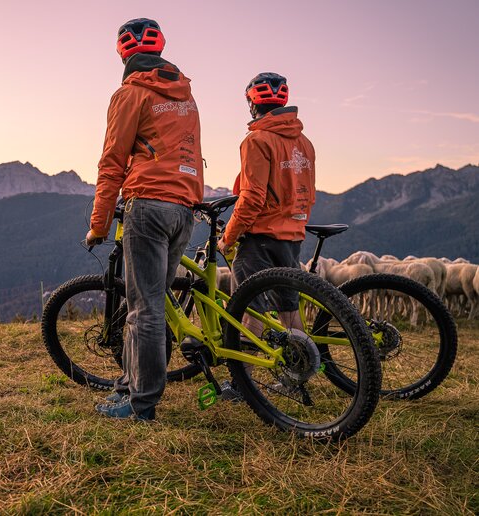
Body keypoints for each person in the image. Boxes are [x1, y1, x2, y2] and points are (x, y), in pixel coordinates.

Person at [87, 18, 204, 421]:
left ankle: (142, 404)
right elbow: (189, 153)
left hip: (149, 206)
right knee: (156, 303)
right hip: (184, 208)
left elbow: (112, 161)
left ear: (123, 54)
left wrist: (99, 223)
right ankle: (132, 386)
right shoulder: (186, 97)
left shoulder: (131, 93)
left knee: (144, 308)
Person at [217, 72, 316, 354]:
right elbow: (309, 191)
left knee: (250, 309)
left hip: (260, 237)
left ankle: (242, 380)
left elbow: (252, 197)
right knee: (288, 307)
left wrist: (230, 236)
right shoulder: (304, 142)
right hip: (293, 235)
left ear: (252, 103)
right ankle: (299, 368)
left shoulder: (256, 140)